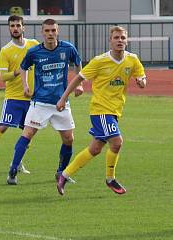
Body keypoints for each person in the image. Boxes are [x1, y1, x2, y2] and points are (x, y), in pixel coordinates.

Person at [54, 26, 146, 196]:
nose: (120, 40)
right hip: (100, 110)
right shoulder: (99, 61)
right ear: (110, 41)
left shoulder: (132, 60)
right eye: (116, 37)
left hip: (115, 111)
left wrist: (142, 81)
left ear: (127, 41)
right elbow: (79, 77)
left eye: (123, 38)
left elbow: (141, 76)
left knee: (95, 149)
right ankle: (110, 179)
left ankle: (64, 175)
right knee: (117, 142)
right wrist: (63, 98)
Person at [6, 18, 82, 186]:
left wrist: (80, 84)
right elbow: (23, 68)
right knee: (28, 134)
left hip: (61, 103)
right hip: (39, 102)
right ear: (42, 32)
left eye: (53, 30)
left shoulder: (68, 48)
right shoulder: (34, 52)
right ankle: (13, 168)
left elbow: (78, 63)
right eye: (47, 31)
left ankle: (62, 172)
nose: (50, 34)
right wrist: (25, 86)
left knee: (69, 139)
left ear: (58, 31)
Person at [0, 15, 38, 174]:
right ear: (9, 28)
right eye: (12, 26)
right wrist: (19, 70)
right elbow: (3, 77)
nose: (15, 28)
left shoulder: (34, 45)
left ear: (24, 27)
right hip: (13, 98)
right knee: (3, 126)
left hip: (32, 99)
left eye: (18, 25)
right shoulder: (6, 50)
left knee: (28, 133)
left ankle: (18, 162)